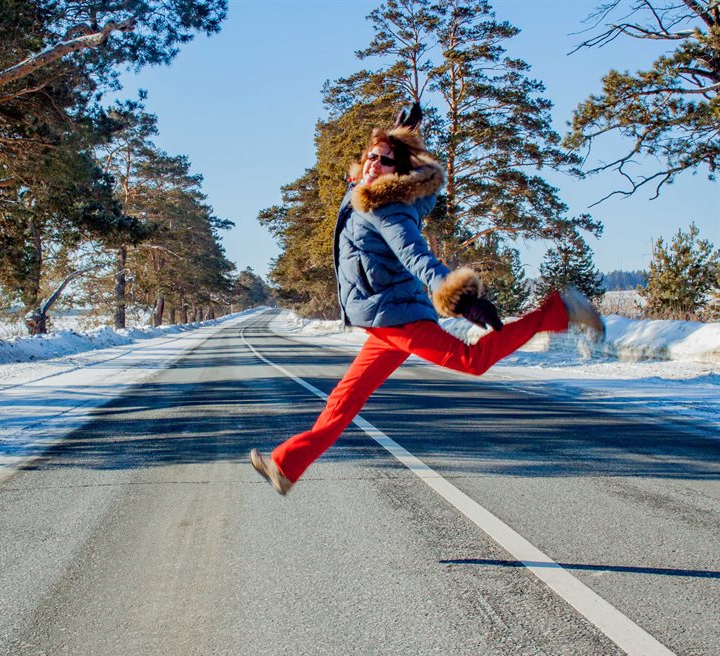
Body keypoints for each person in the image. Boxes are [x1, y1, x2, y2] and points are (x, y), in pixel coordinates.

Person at [250, 103, 604, 496]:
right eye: (371, 156)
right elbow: (423, 189)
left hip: (397, 316)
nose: (373, 164)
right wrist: (404, 136)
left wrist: (461, 298)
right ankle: (287, 464)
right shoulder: (363, 195)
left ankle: (556, 311)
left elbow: (417, 257)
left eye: (384, 161)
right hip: (383, 321)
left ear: (395, 173)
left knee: (472, 360)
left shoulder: (387, 209)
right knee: (344, 399)